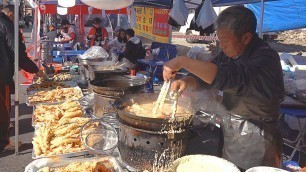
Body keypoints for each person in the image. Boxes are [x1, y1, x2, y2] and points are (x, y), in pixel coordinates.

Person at [163, 6, 284, 170]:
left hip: (257, 138)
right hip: (232, 128)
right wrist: (187, 81)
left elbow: (229, 77)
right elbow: (211, 74)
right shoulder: (231, 52)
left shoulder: (265, 58)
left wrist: (182, 61)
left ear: (246, 38)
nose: (222, 45)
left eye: (225, 41)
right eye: (219, 39)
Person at [0, 3, 42, 151]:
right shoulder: (6, 25)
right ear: (11, 14)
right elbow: (18, 54)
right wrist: (36, 70)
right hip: (1, 75)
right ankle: (4, 143)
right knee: (3, 113)